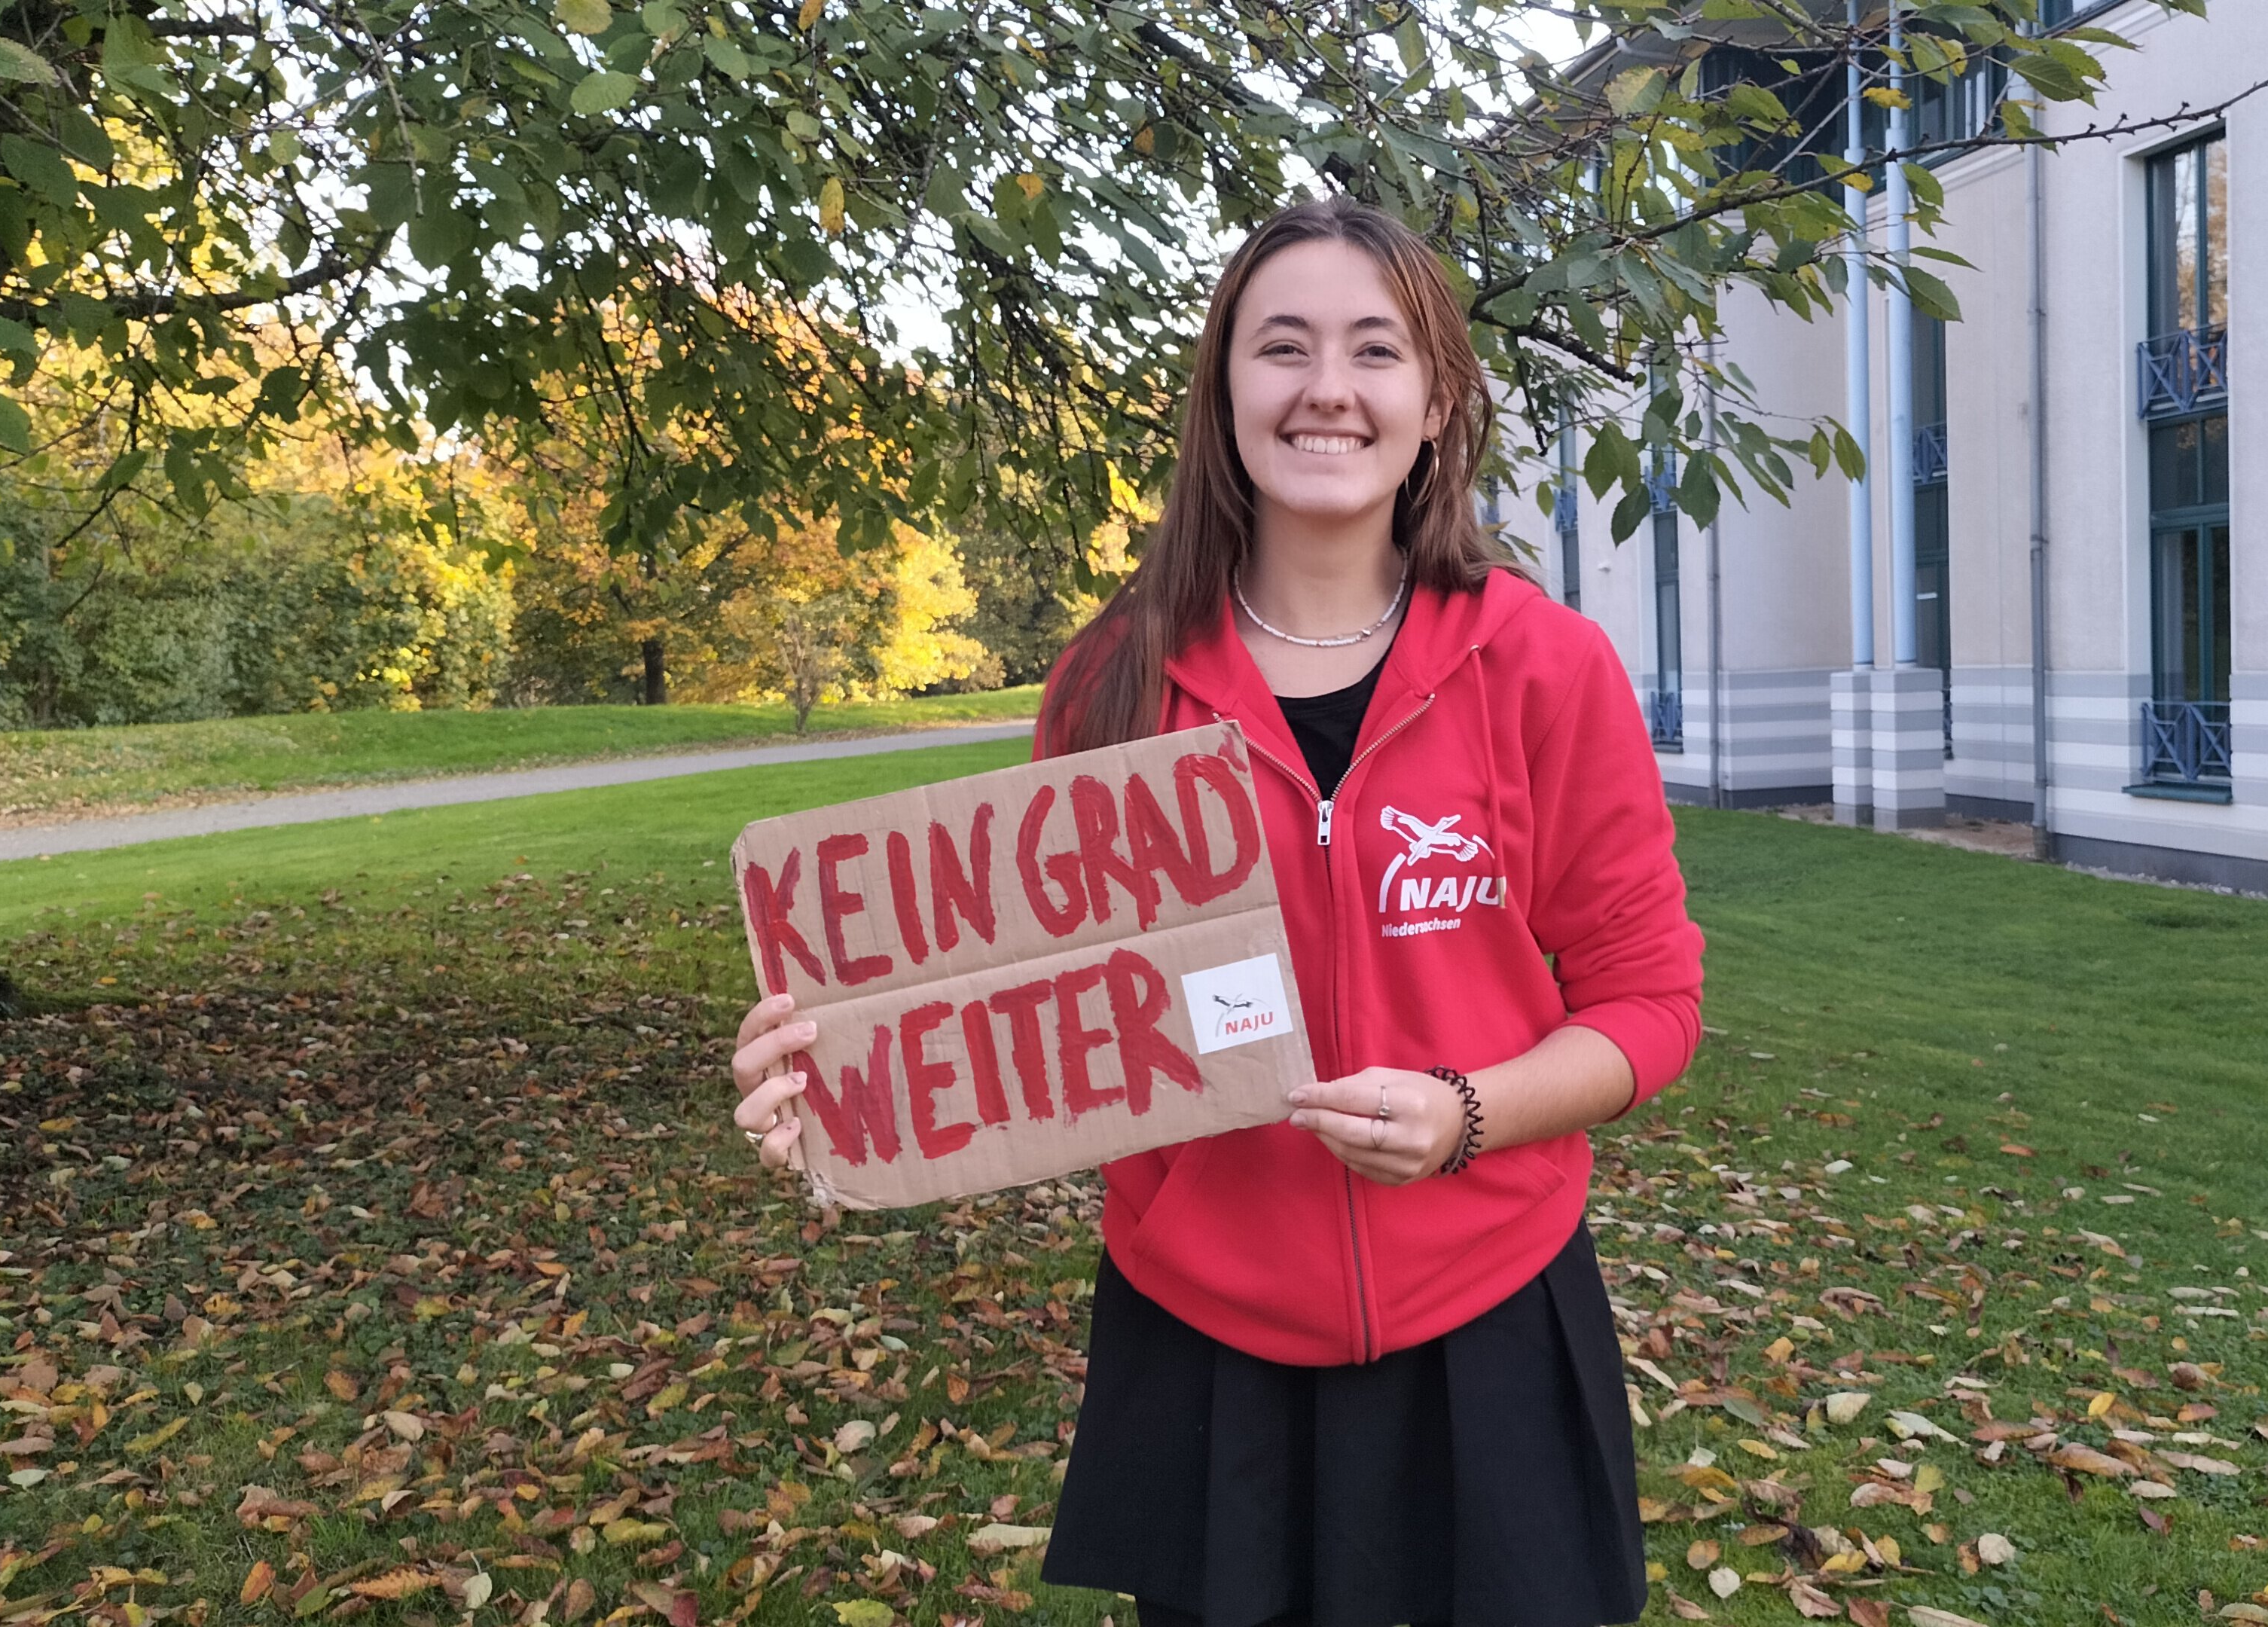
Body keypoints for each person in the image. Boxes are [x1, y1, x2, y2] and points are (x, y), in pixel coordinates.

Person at [729, 194, 1704, 1627]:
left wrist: (1470, 1110)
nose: (1326, 389)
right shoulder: (1112, 681)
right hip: (1207, 1342)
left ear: (1436, 400)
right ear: (1224, 393)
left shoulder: (1543, 667)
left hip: (1489, 1323)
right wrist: (842, 1078)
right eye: (1282, 346)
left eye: (1376, 350)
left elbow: (1649, 1004)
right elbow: (1023, 1006)